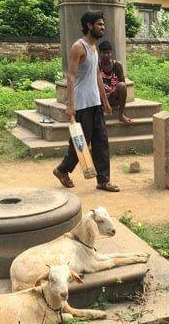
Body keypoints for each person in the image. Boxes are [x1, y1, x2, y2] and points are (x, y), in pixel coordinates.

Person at [52, 11, 120, 192]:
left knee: (101, 142)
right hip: (82, 104)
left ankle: (103, 181)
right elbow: (71, 77)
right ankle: (62, 170)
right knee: (80, 143)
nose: (103, 27)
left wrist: (105, 101)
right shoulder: (78, 47)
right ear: (89, 26)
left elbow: (97, 75)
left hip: (95, 103)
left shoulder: (94, 48)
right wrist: (70, 105)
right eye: (99, 24)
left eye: (103, 25)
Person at [98, 40, 132, 124]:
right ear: (100, 53)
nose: (106, 55)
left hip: (113, 96)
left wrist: (111, 92)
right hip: (100, 98)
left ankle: (121, 115)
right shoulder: (96, 65)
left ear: (111, 53)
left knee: (122, 85)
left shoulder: (117, 65)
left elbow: (122, 83)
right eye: (103, 53)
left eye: (108, 53)